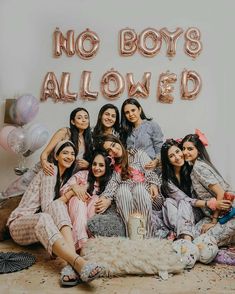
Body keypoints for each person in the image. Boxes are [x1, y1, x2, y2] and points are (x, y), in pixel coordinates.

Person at [7, 140, 103, 286]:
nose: (69, 156)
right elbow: (47, 207)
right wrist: (71, 192)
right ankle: (78, 263)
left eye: (72, 154)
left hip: (40, 227)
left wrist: (74, 189)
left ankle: (69, 267)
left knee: (60, 206)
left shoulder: (67, 177)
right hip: (20, 223)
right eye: (65, 153)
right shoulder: (50, 171)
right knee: (55, 207)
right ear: (56, 156)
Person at [1, 107, 93, 199]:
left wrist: (88, 165)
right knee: (19, 187)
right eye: (80, 118)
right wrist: (44, 164)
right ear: (73, 121)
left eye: (86, 117)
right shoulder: (65, 132)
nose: (84, 120)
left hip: (63, 176)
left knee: (38, 198)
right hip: (48, 167)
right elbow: (45, 152)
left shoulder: (89, 140)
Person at [97, 134, 162, 238]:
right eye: (109, 150)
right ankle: (132, 236)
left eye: (114, 145)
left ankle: (148, 237)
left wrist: (153, 184)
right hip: (127, 199)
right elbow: (112, 185)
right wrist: (107, 198)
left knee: (138, 189)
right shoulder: (113, 167)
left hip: (148, 196)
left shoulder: (138, 154)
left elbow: (150, 172)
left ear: (118, 142)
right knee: (122, 189)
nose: (114, 150)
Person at [181, 131, 235, 246]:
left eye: (190, 149)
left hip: (228, 213)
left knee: (201, 243)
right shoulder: (197, 165)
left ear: (198, 150)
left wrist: (214, 221)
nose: (185, 152)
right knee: (192, 235)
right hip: (218, 214)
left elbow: (220, 193)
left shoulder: (199, 167)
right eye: (183, 148)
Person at [60, 150, 114, 251]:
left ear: (107, 167)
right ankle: (81, 241)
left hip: (90, 216)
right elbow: (62, 191)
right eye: (94, 164)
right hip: (73, 211)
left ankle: (87, 240)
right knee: (78, 199)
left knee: (96, 200)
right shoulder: (83, 174)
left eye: (101, 165)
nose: (97, 168)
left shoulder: (110, 184)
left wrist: (108, 200)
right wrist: (75, 187)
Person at [120, 98, 163, 170]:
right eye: (127, 112)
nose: (131, 114)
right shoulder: (125, 131)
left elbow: (159, 148)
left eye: (133, 110)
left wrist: (156, 161)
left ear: (139, 110)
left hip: (150, 167)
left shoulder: (152, 125)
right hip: (133, 169)